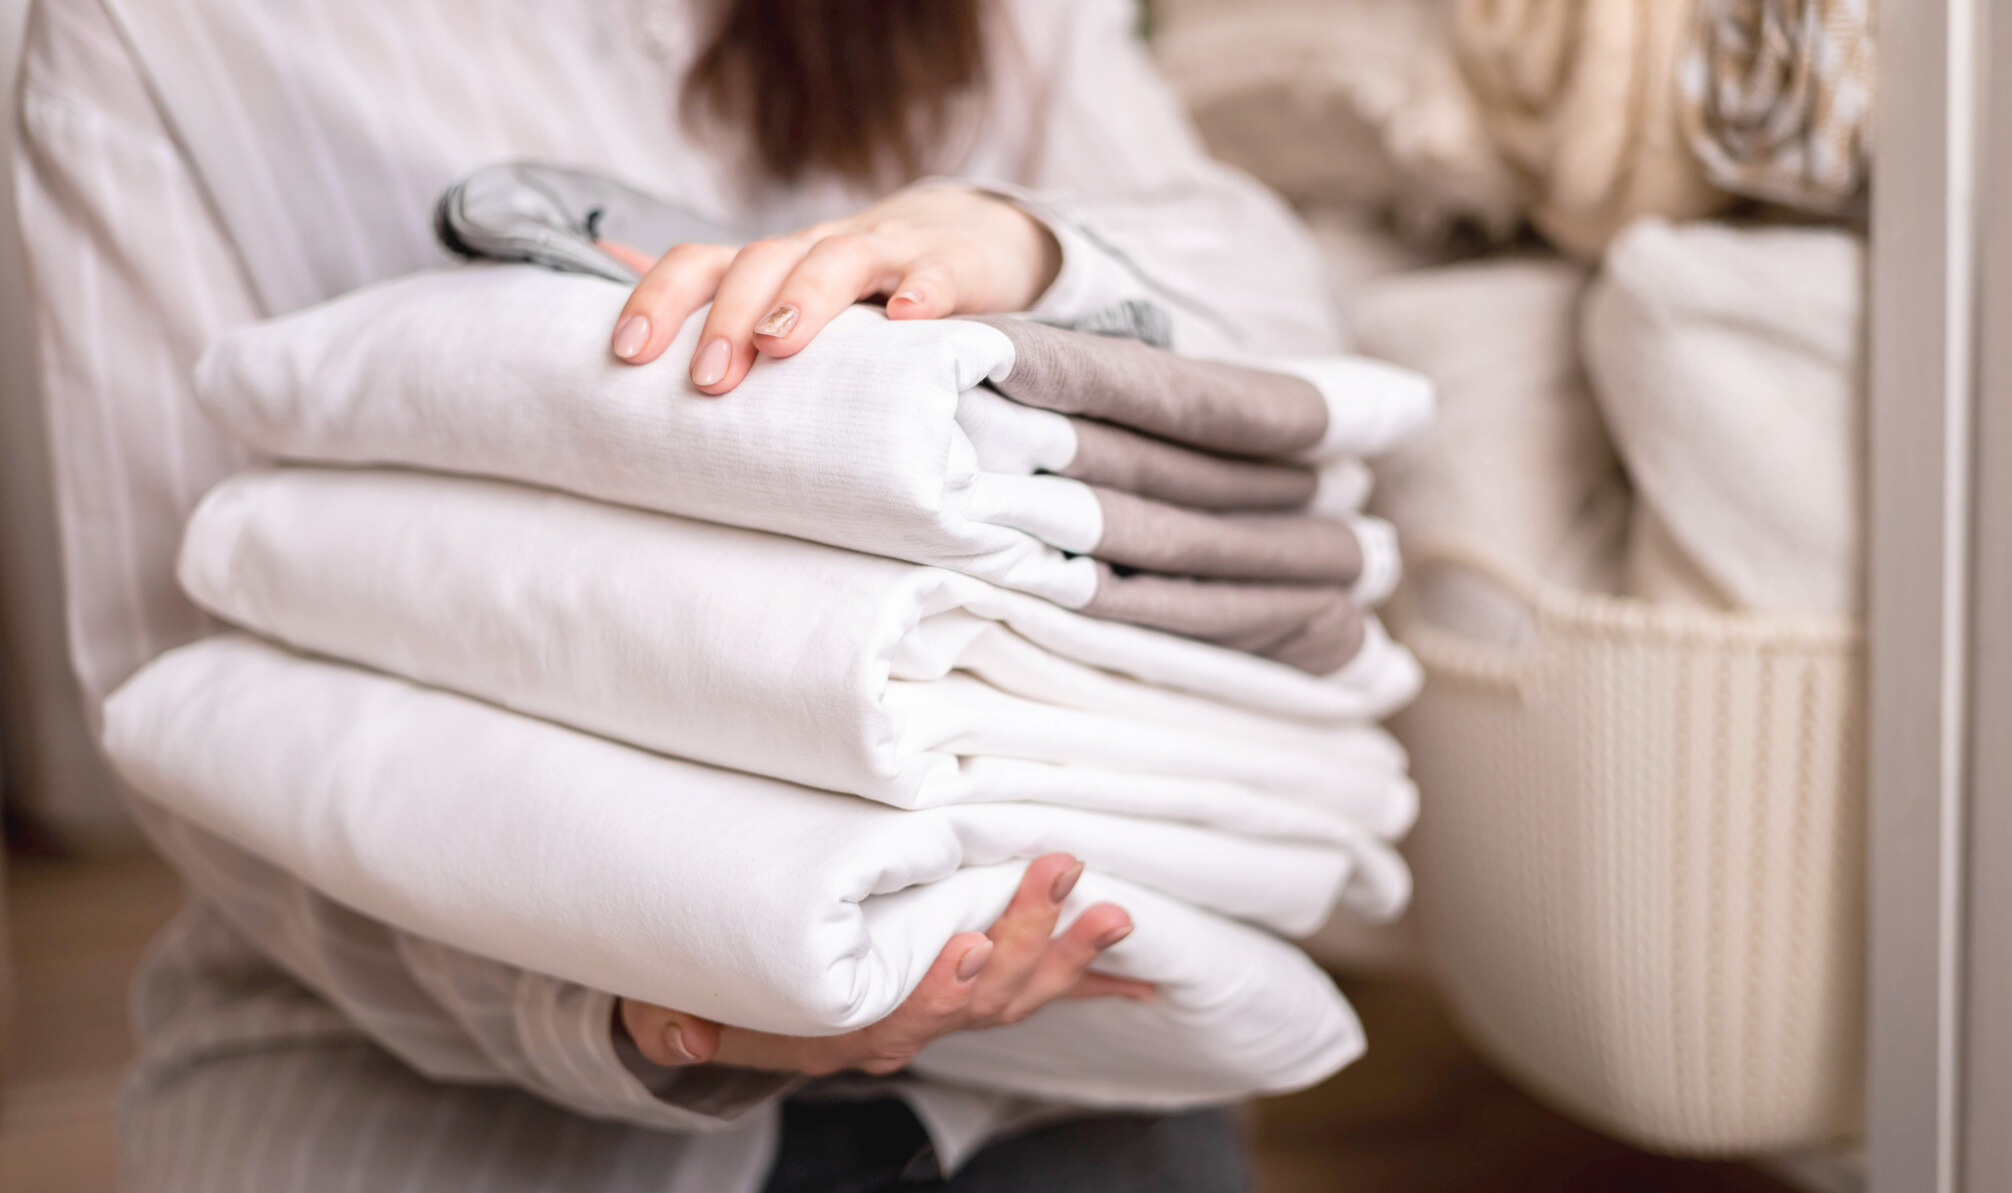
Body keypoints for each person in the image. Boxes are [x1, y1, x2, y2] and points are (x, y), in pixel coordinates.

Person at [15, 0, 1342, 1188]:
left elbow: (1284, 307)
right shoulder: (163, 31)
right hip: (424, 1081)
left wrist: (1012, 241)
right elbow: (190, 697)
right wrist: (645, 1000)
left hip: (1051, 1050)